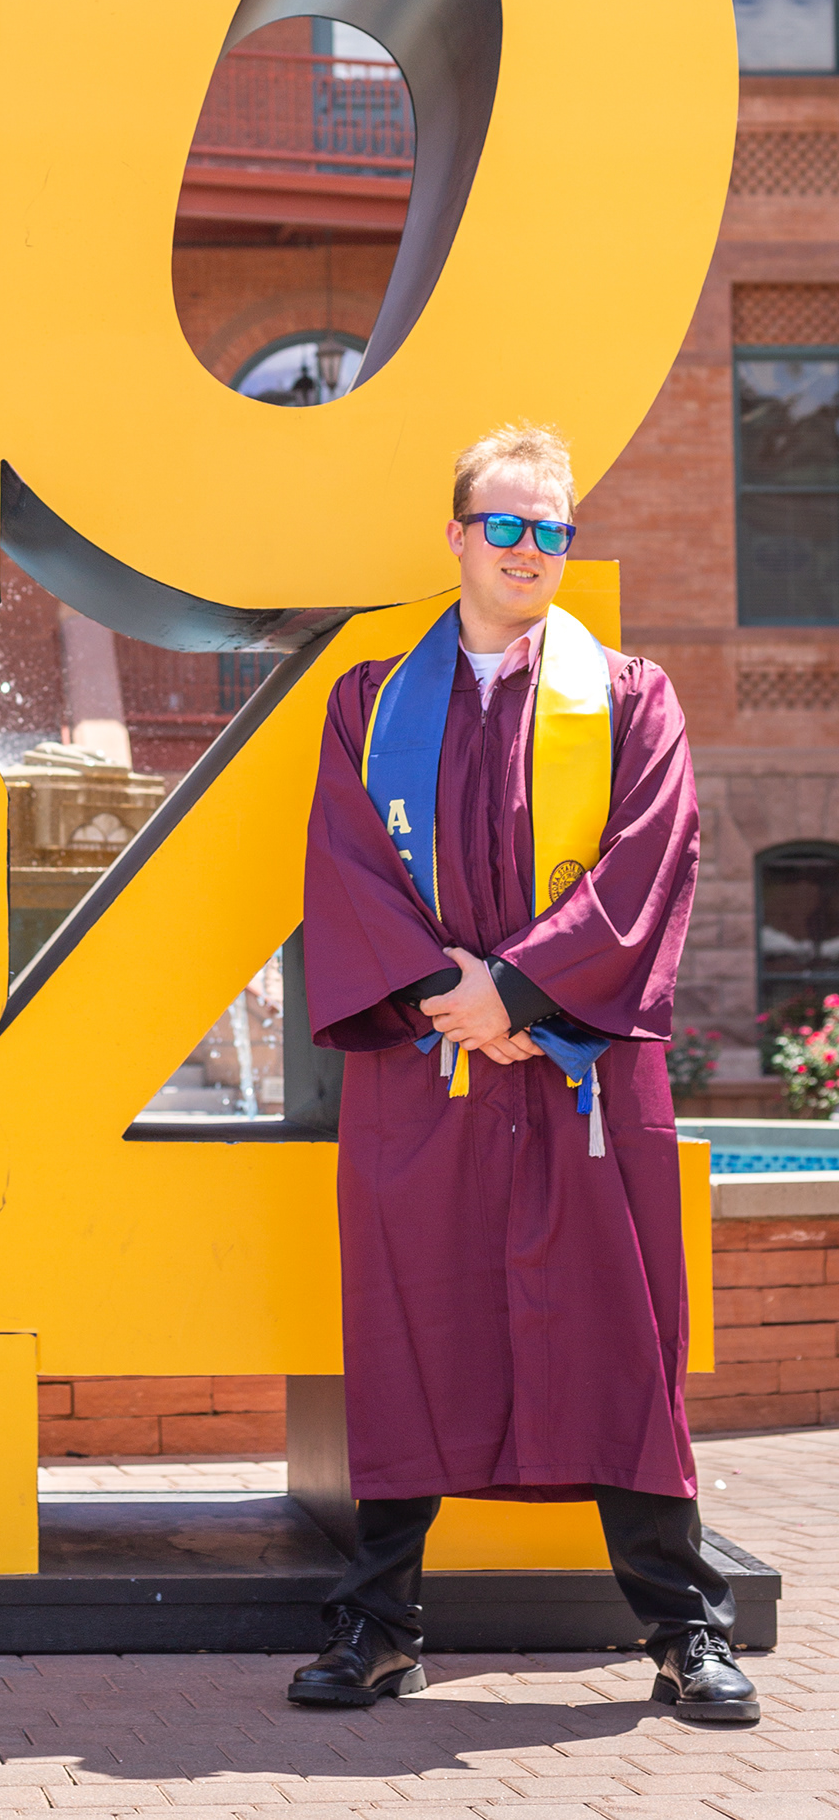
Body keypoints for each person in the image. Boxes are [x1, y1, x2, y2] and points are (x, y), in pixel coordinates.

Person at [288, 420, 759, 1728]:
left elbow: (650, 864)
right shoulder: (374, 699)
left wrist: (526, 990)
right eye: (508, 524)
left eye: (553, 528)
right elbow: (347, 866)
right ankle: (379, 1629)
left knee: (622, 1331)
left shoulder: (631, 697)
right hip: (428, 1063)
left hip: (582, 1071)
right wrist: (458, 999)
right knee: (409, 1326)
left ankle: (682, 1629)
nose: (532, 548)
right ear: (456, 534)